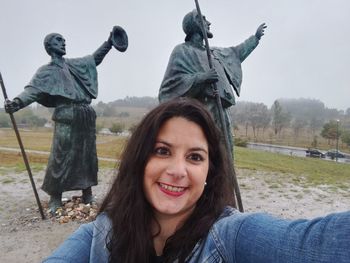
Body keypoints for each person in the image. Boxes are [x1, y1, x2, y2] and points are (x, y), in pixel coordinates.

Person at [43, 98, 349, 263]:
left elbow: (313, 243)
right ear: (140, 160)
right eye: (162, 150)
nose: (178, 170)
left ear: (209, 173)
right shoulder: (101, 234)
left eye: (195, 157)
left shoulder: (231, 236)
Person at [4, 28, 127, 213]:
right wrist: (17, 103)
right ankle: (55, 197)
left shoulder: (73, 65)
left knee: (87, 157)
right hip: (66, 115)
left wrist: (109, 43)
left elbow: (94, 60)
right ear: (49, 46)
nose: (63, 42)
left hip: (85, 115)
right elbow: (32, 91)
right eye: (58, 40)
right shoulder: (46, 72)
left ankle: (87, 193)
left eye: (63, 40)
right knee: (60, 157)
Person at [159, 9, 266, 154]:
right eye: (203, 19)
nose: (209, 23)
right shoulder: (182, 51)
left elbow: (236, 53)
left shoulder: (215, 53)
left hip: (222, 111)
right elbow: (169, 88)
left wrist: (255, 38)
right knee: (207, 151)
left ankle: (226, 177)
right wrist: (201, 78)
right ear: (195, 25)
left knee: (225, 153)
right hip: (203, 110)